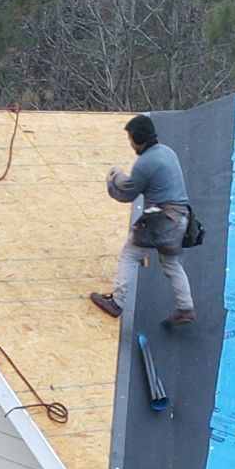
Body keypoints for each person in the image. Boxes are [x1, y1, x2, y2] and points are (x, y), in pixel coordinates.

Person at [89, 112, 196, 327]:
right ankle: (186, 308)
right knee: (171, 263)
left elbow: (127, 194)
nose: (130, 143)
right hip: (181, 219)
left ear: (138, 140)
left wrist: (112, 181)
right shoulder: (167, 152)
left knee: (130, 253)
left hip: (160, 219)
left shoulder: (144, 163)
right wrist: (121, 178)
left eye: (130, 139)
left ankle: (117, 303)